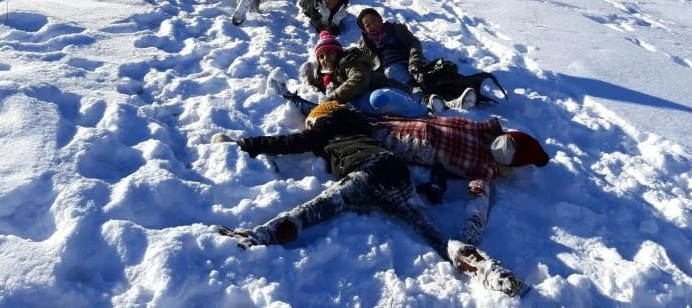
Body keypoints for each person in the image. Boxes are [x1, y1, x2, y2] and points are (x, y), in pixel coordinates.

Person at [211, 101, 524, 297]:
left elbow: (293, 141)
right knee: (436, 237)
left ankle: (256, 238)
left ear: (323, 119)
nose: (309, 125)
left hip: (368, 172)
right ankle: (490, 272)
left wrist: (244, 143)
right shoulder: (363, 128)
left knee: (314, 210)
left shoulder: (326, 130)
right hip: (396, 173)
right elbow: (330, 111)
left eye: (313, 120)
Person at [373, 114, 549, 246]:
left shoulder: (485, 165)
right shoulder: (481, 129)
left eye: (509, 153)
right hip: (401, 122)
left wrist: (473, 226)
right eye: (508, 141)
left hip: (406, 141)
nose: (502, 148)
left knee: (362, 132)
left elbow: (479, 193)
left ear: (510, 164)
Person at [356, 8, 476, 112]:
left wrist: (414, 60)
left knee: (434, 76)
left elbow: (414, 43)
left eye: (374, 20)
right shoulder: (365, 44)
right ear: (365, 30)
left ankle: (457, 96)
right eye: (368, 25)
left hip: (413, 60)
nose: (373, 25)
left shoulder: (396, 29)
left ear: (380, 18)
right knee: (406, 81)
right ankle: (428, 102)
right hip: (392, 67)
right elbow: (363, 62)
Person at [302, 31, 426, 117]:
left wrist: (333, 97)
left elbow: (359, 78)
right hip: (366, 102)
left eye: (330, 53)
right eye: (321, 56)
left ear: (338, 53)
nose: (326, 58)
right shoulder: (330, 76)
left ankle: (421, 111)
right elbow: (315, 89)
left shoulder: (349, 61)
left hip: (390, 92)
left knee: (376, 98)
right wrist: (310, 74)